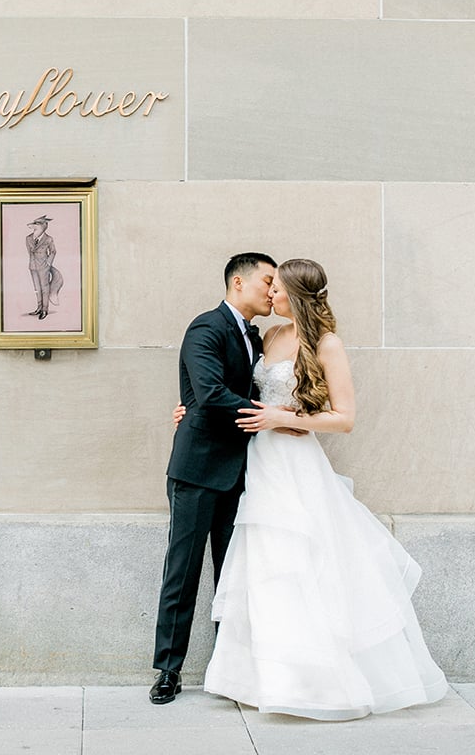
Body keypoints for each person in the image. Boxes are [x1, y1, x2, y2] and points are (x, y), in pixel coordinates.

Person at [199, 258, 448, 720]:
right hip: (259, 462)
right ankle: (265, 680)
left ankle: (315, 683)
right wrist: (190, 407)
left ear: (294, 294)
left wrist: (283, 418)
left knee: (302, 562)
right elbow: (232, 389)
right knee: (266, 564)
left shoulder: (326, 344)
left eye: (277, 287)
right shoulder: (270, 337)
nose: (270, 293)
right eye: (268, 284)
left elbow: (345, 418)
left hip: (296, 463)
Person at [149, 252, 279, 705]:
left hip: (243, 472)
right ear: (238, 282)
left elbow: (242, 388)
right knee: (182, 572)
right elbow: (207, 391)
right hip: (199, 469)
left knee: (233, 574)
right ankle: (168, 669)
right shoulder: (206, 327)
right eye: (267, 281)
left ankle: (230, 669)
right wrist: (268, 414)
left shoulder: (259, 339)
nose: (272, 290)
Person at [25, 215, 63, 319]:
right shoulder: (28, 238)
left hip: (44, 266)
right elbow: (30, 252)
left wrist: (48, 263)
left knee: (44, 289)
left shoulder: (48, 239)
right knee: (37, 288)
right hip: (33, 266)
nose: (34, 225)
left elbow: (53, 251)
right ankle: (39, 308)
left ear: (43, 226)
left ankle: (45, 310)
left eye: (37, 224)